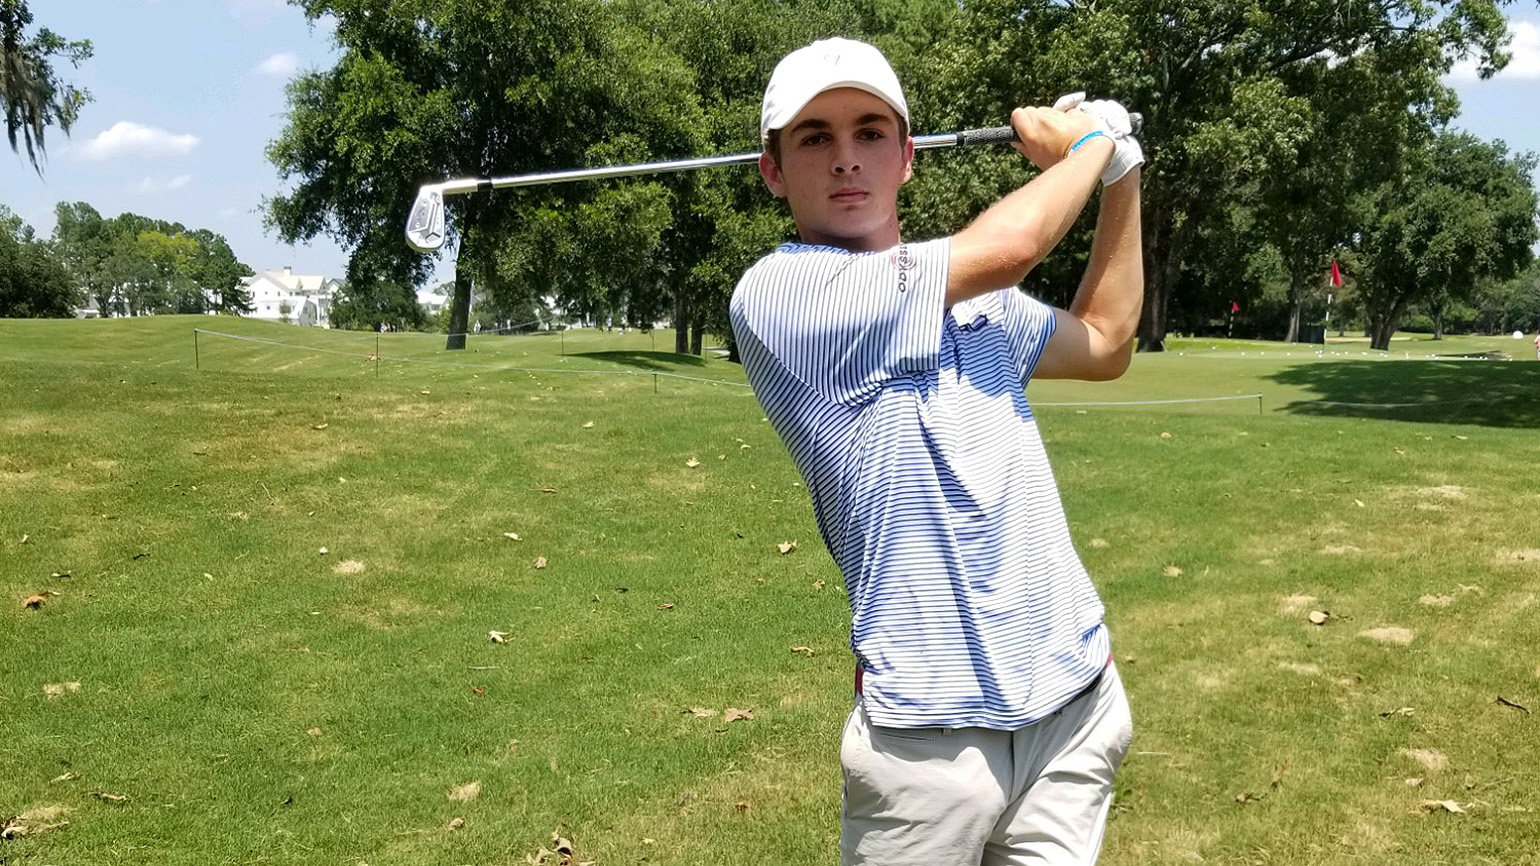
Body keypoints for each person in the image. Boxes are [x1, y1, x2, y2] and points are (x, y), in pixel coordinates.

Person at [730, 38, 1143, 865]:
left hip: (1072, 699)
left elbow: (1104, 342)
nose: (847, 159)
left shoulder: (981, 307)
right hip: (928, 743)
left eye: (870, 131)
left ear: (907, 156)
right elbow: (1014, 246)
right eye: (814, 138)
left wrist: (1122, 176)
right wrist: (1090, 146)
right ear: (773, 170)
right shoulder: (778, 297)